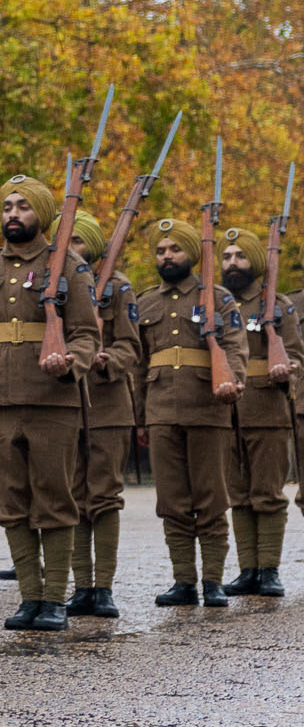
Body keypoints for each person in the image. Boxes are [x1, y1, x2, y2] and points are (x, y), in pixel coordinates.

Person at [0, 176, 99, 630]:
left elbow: (86, 332)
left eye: (23, 206)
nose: (12, 214)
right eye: (7, 206)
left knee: (55, 500)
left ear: (41, 214)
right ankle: (29, 596)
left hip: (52, 400)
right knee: (12, 504)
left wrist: (71, 363)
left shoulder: (70, 267)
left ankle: (55, 599)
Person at [127, 215, 248, 609]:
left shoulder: (218, 298)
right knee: (172, 501)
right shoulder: (144, 302)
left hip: (207, 408)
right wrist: (141, 416)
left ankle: (212, 580)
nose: (167, 256)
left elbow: (235, 346)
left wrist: (232, 381)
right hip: (162, 409)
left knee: (211, 498)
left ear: (192, 254)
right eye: (161, 250)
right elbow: (140, 365)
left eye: (175, 248)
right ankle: (184, 581)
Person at [65, 212, 140, 617]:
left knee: (104, 497)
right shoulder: (50, 287)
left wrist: (108, 358)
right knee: (73, 496)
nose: (70, 249)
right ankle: (80, 587)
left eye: (78, 241)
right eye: (65, 241)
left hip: (108, 403)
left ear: (91, 248)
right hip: (63, 402)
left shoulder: (117, 287)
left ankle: (103, 587)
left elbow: (132, 346)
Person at [218, 225, 296, 596]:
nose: (233, 263)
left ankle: (268, 569)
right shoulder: (215, 304)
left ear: (257, 262)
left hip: (266, 407)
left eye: (240, 255)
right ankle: (247, 569)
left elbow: (295, 352)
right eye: (227, 256)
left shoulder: (277, 305)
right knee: (238, 494)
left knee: (267, 493)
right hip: (226, 411)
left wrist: (286, 370)